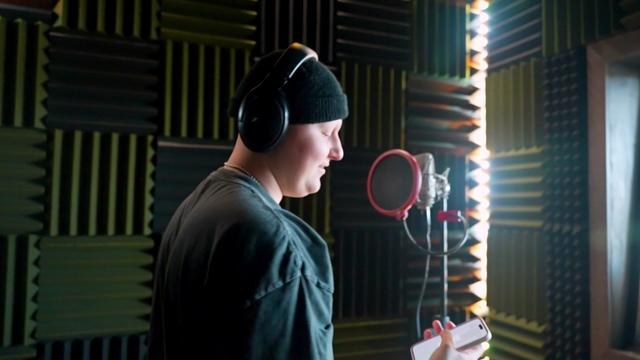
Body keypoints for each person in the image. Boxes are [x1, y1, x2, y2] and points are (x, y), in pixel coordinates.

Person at [148, 43, 347, 359]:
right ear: (271, 121)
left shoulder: (196, 208)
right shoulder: (276, 245)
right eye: (327, 131)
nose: (337, 151)